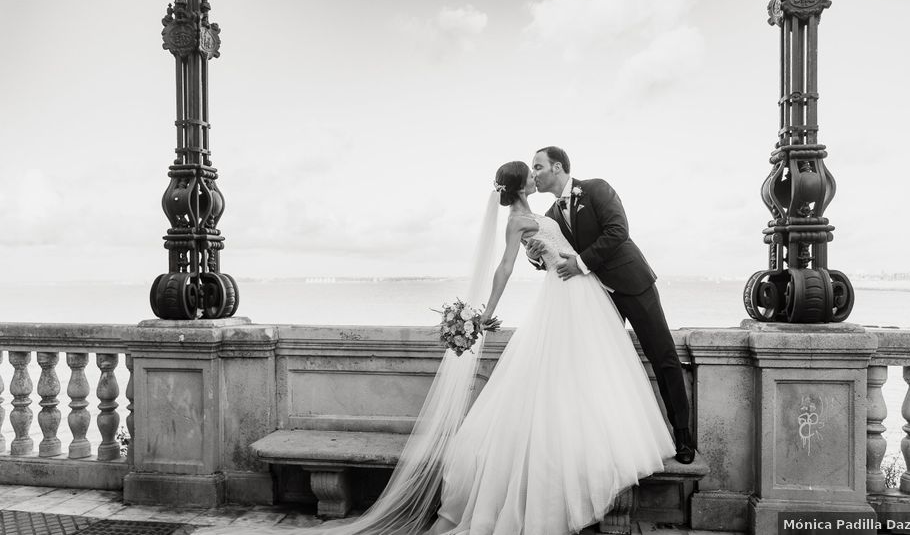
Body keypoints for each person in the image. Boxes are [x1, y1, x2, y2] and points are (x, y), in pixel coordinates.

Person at [198, 161, 675, 535]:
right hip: (566, 297)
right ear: (519, 184)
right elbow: (505, 268)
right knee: (562, 376)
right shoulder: (520, 220)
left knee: (588, 372)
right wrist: (488, 308)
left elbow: (564, 246)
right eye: (528, 172)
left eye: (537, 168)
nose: (534, 175)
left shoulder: (543, 214)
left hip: (579, 293)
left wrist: (547, 256)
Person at [524, 146, 695, 465]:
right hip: (594, 298)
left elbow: (618, 232)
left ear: (558, 167)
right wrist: (536, 256)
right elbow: (555, 253)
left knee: (663, 356)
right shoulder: (549, 217)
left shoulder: (596, 189)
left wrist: (582, 263)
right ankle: (613, 441)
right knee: (601, 364)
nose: (533, 173)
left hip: (632, 284)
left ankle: (682, 436)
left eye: (538, 166)